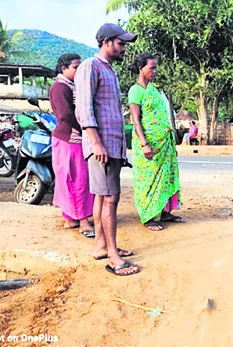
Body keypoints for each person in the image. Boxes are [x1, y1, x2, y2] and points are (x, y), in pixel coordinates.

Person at [75, 23, 139, 276]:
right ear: (107, 42)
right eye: (121, 43)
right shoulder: (90, 66)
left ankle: (101, 245)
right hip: (102, 146)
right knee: (111, 198)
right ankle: (113, 256)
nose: (124, 48)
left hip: (112, 146)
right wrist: (96, 141)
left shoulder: (109, 71)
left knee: (103, 197)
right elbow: (84, 107)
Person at [128, 53, 185, 231]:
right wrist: (145, 144)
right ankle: (149, 216)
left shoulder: (154, 90)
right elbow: (136, 120)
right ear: (140, 69)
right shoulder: (135, 90)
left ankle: (166, 212)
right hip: (148, 144)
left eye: (155, 67)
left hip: (164, 143)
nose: (155, 71)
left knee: (167, 176)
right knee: (148, 179)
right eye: (151, 67)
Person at [49, 53, 95, 237]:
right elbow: (66, 115)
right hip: (70, 139)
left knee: (71, 178)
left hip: (71, 139)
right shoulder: (60, 87)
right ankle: (82, 219)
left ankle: (71, 216)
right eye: (75, 67)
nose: (79, 70)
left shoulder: (70, 86)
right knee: (77, 179)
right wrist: (86, 128)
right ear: (64, 69)